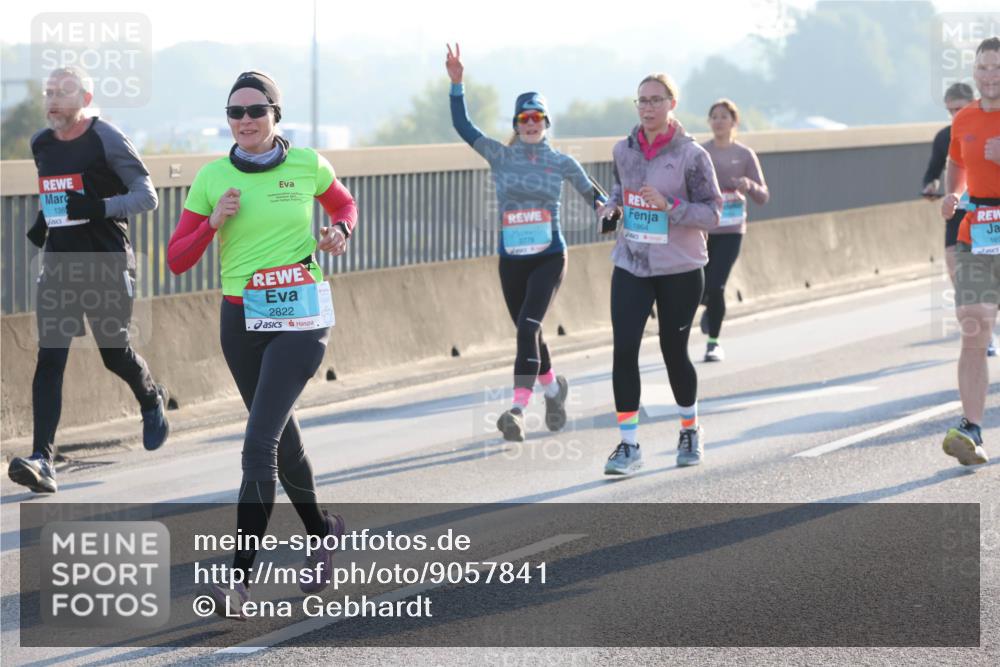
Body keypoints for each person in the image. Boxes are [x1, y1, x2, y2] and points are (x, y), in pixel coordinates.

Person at [167, 71, 357, 617]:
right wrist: (213, 223)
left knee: (258, 444)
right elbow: (177, 259)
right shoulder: (211, 178)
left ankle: (238, 582)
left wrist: (339, 233)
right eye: (235, 112)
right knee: (281, 436)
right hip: (241, 322)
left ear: (276, 114)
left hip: (301, 317)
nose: (245, 121)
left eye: (256, 110)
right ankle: (324, 532)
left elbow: (344, 207)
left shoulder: (308, 165)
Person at [7, 66, 168, 495]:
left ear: (86, 97)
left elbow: (146, 196)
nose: (53, 99)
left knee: (114, 353)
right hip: (59, 264)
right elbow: (57, 192)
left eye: (63, 92)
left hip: (107, 263)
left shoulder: (106, 137)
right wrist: (47, 220)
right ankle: (43, 458)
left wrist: (96, 207)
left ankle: (151, 397)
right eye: (48, 92)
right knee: (50, 358)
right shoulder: (40, 143)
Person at [445, 43, 608, 442]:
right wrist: (456, 85)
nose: (531, 123)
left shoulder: (561, 161)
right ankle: (554, 390)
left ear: (546, 122)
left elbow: (593, 194)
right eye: (524, 118)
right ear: (517, 124)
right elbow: (465, 128)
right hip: (512, 258)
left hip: (550, 256)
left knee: (528, 327)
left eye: (537, 117)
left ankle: (517, 408)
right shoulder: (500, 155)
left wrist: (604, 210)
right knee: (527, 329)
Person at [599, 73, 722, 474]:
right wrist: (612, 208)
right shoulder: (624, 150)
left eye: (655, 100)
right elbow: (620, 191)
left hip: (680, 266)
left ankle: (690, 428)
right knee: (624, 349)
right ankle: (629, 445)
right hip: (632, 262)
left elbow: (713, 212)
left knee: (673, 351)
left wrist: (670, 205)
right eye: (642, 101)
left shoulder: (692, 155)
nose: (648, 107)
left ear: (672, 104)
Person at [940, 37, 1000, 467]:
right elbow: (958, 162)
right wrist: (953, 194)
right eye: (983, 67)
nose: (989, 75)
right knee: (974, 322)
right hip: (978, 228)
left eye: (997, 68)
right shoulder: (964, 118)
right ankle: (972, 428)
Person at [698, 98, 769, 361]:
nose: (718, 121)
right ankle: (710, 307)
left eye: (724, 117)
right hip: (703, 229)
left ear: (734, 122)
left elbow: (763, 196)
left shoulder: (744, 155)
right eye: (714, 116)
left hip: (731, 229)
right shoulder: (700, 152)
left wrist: (748, 185)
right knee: (700, 286)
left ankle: (713, 343)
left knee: (716, 286)